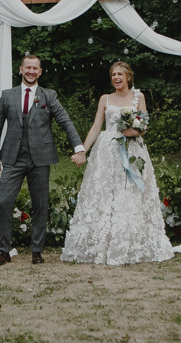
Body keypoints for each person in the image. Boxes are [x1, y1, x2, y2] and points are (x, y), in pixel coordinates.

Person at [60, 62, 172, 265]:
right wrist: (82, 150)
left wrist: (136, 131)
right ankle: (102, 242)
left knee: (130, 192)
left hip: (132, 150)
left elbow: (144, 125)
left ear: (128, 77)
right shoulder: (105, 98)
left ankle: (129, 242)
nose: (116, 77)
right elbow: (96, 127)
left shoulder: (139, 97)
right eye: (113, 74)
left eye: (120, 74)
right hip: (107, 150)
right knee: (105, 192)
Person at [0, 54, 86, 265]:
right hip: (12, 157)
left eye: (35, 68)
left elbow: (65, 121)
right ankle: (3, 250)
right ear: (21, 70)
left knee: (40, 204)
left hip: (40, 159)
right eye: (28, 68)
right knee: (4, 203)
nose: (31, 71)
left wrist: (79, 147)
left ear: (40, 72)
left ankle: (37, 251)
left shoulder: (49, 96)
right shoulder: (7, 96)